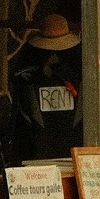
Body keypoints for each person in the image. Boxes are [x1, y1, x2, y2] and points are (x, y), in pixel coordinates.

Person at [9, 13, 85, 161]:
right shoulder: (80, 58)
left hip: (37, 147)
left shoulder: (27, 58)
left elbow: (17, 85)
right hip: (75, 145)